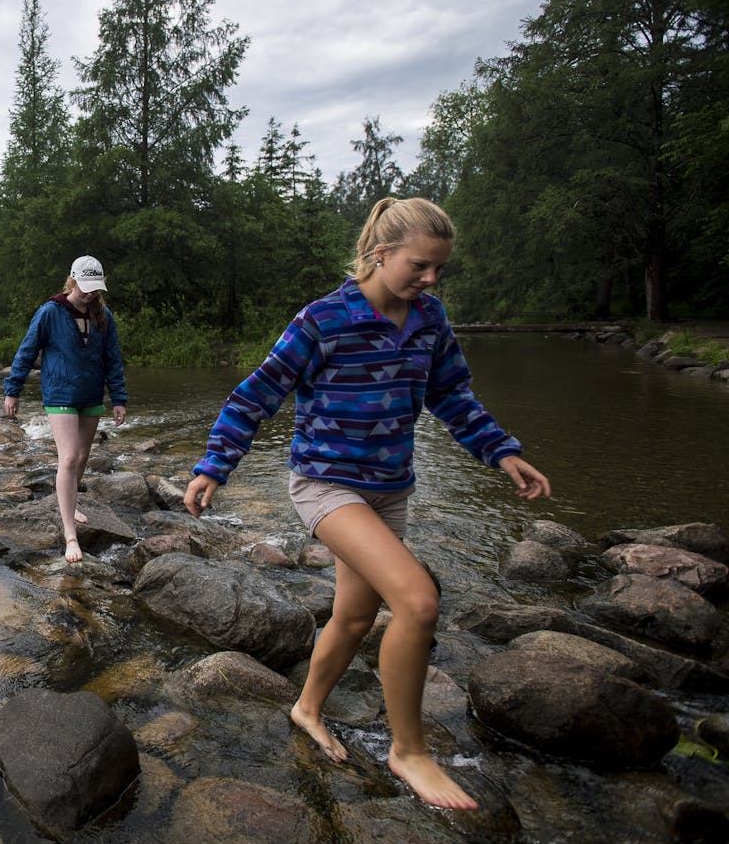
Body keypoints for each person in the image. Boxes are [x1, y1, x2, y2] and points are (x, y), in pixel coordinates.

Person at [183, 197, 550, 811]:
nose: (431, 280)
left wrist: (500, 451)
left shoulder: (429, 321)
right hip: (325, 484)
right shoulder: (324, 318)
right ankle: (409, 752)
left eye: (439, 270)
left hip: (389, 488)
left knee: (354, 618)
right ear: (379, 254)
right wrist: (214, 466)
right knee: (417, 600)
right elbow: (257, 394)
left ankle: (306, 708)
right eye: (420, 265)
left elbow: (453, 396)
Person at [4, 256, 128, 564]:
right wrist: (13, 390)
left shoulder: (104, 316)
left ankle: (70, 504)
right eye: (85, 287)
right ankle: (70, 534)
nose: (90, 294)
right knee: (70, 456)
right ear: (72, 281)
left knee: (83, 457)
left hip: (90, 393)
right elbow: (27, 351)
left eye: (95, 289)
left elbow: (113, 360)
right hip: (59, 391)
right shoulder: (50, 312)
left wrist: (119, 398)